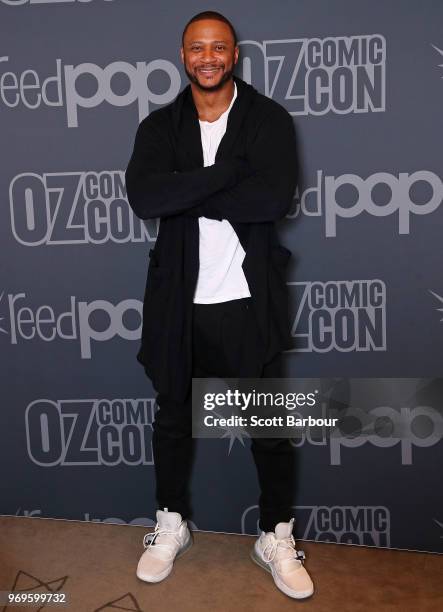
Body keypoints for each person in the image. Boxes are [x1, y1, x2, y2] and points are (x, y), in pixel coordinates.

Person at [125, 10, 314, 600]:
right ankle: (170, 522)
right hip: (178, 302)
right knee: (173, 419)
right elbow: (145, 196)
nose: (208, 57)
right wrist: (228, 175)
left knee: (267, 426)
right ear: (184, 56)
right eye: (196, 48)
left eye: (219, 47)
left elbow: (271, 199)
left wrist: (191, 187)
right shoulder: (161, 127)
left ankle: (275, 535)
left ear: (235, 54)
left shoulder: (267, 120)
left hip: (244, 300)